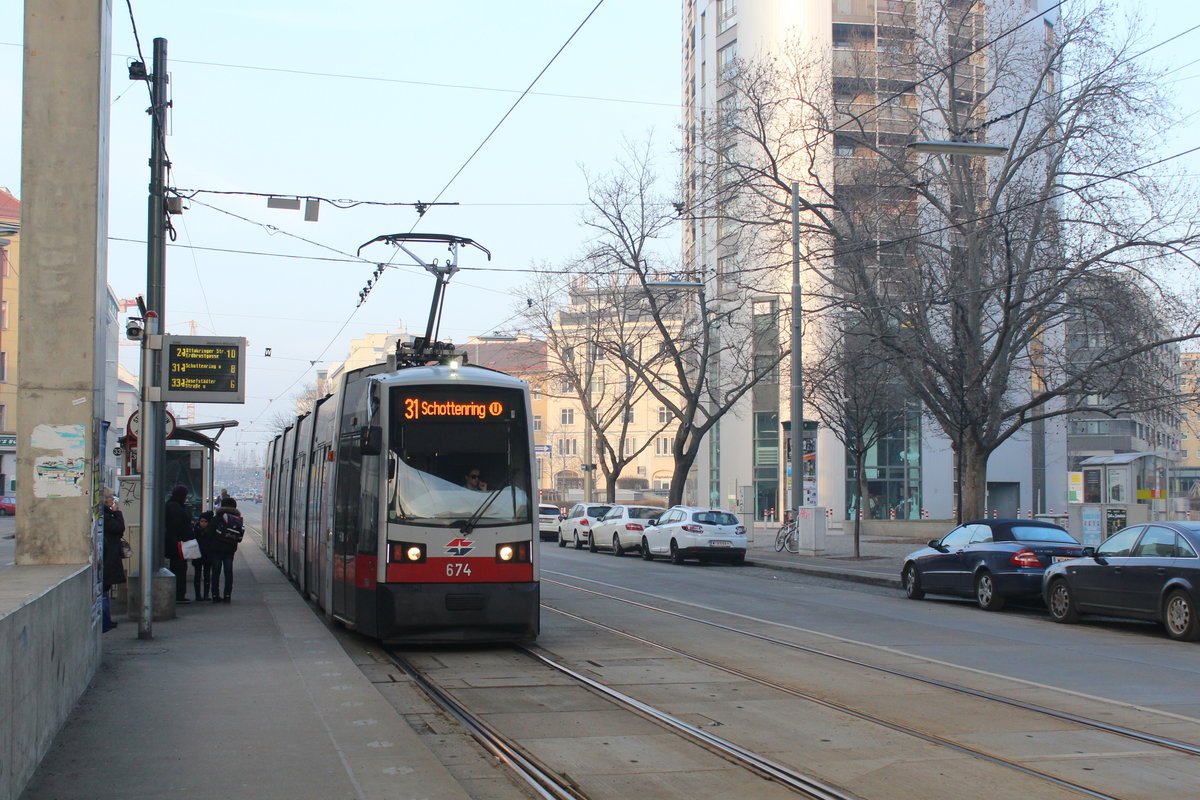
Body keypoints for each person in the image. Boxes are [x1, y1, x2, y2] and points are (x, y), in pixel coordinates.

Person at [209, 497, 244, 603]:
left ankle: (215, 595)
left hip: (216, 549)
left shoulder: (217, 517)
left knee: (216, 572)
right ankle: (227, 595)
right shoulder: (236, 518)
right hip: (230, 549)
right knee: (228, 572)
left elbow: (209, 531)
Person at [101, 487, 126, 632]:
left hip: (108, 555)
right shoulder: (107, 516)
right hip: (109, 556)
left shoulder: (105, 515)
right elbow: (119, 528)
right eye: (110, 497)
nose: (112, 499)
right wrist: (117, 513)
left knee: (105, 589)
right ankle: (105, 621)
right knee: (104, 591)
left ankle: (106, 620)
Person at [164, 484, 193, 603]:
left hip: (174, 543)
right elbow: (179, 526)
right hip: (178, 544)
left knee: (177, 568)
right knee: (179, 569)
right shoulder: (176, 507)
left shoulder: (172, 505)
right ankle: (179, 594)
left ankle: (178, 594)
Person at [191, 510, 215, 601]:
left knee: (207, 575)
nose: (203, 523)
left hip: (207, 555)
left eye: (205, 522)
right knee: (197, 575)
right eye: (201, 521)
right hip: (198, 554)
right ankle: (198, 595)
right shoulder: (195, 530)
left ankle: (206, 594)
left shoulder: (209, 531)